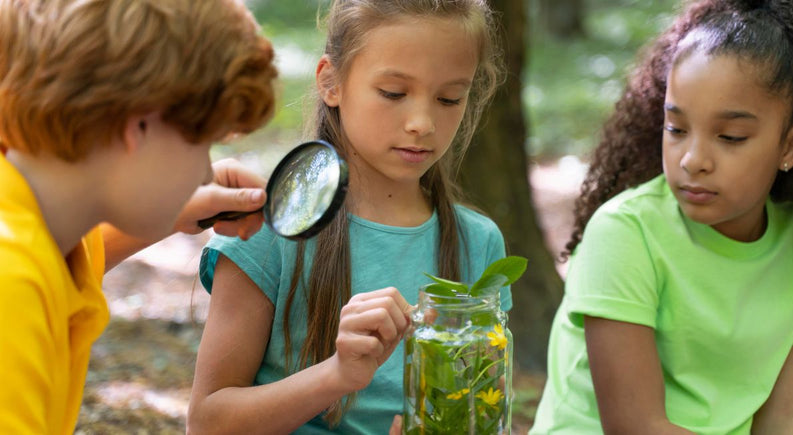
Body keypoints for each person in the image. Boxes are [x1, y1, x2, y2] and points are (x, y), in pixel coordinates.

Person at [188, 0, 513, 433]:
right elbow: (207, 423)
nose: (422, 122)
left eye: (449, 98)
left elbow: (486, 412)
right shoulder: (266, 231)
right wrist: (337, 375)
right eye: (394, 93)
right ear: (330, 82)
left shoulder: (479, 242)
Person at [0, 0, 278, 433]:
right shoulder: (10, 288)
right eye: (202, 143)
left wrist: (173, 209)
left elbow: (69, 262)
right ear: (140, 125)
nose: (205, 172)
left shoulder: (37, 222)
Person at [530, 0, 793, 433]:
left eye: (730, 137)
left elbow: (785, 419)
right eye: (676, 129)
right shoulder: (625, 233)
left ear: (790, 147)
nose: (693, 160)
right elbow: (636, 426)